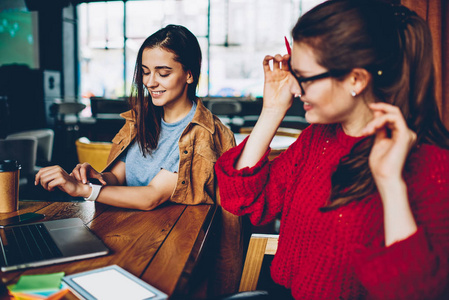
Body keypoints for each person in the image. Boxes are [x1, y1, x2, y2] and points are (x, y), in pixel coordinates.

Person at [215, 0, 449, 299]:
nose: (295, 89)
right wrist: (272, 110)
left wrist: (391, 184)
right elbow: (244, 201)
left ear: (356, 79)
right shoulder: (319, 138)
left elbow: (416, 293)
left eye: (304, 77)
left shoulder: (433, 167)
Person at [35, 25, 244, 295]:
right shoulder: (142, 118)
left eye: (163, 72)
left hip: (172, 248)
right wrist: (95, 177)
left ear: (189, 74)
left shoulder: (201, 134)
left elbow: (151, 197)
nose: (150, 82)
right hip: (127, 232)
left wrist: (84, 190)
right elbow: (118, 177)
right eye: (145, 72)